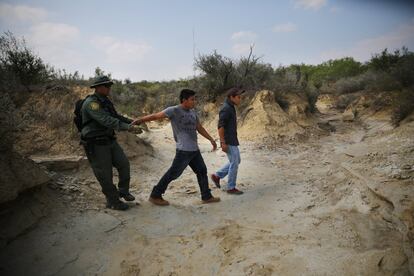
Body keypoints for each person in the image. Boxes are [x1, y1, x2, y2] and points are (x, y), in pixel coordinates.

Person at [136, 89, 220, 206]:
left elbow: (199, 127)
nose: (194, 101)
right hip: (183, 151)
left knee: (201, 171)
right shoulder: (174, 110)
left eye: (195, 99)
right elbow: (156, 116)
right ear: (184, 100)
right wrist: (140, 120)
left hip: (194, 150)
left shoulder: (192, 112)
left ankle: (206, 196)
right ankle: (155, 195)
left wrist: (211, 139)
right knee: (173, 173)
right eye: (192, 99)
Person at [81, 76, 140, 210]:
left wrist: (132, 122)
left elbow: (115, 116)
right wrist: (128, 127)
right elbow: (106, 120)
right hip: (96, 143)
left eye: (109, 86)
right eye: (107, 86)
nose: (109, 88)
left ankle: (123, 191)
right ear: (98, 87)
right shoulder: (91, 103)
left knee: (124, 164)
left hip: (109, 140)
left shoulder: (105, 101)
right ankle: (113, 201)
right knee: (105, 174)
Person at [211, 87, 244, 195]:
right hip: (228, 140)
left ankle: (217, 176)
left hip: (232, 139)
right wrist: (223, 142)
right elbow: (220, 126)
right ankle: (231, 187)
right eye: (238, 97)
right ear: (231, 97)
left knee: (236, 160)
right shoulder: (226, 108)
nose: (240, 99)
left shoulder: (231, 107)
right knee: (235, 162)